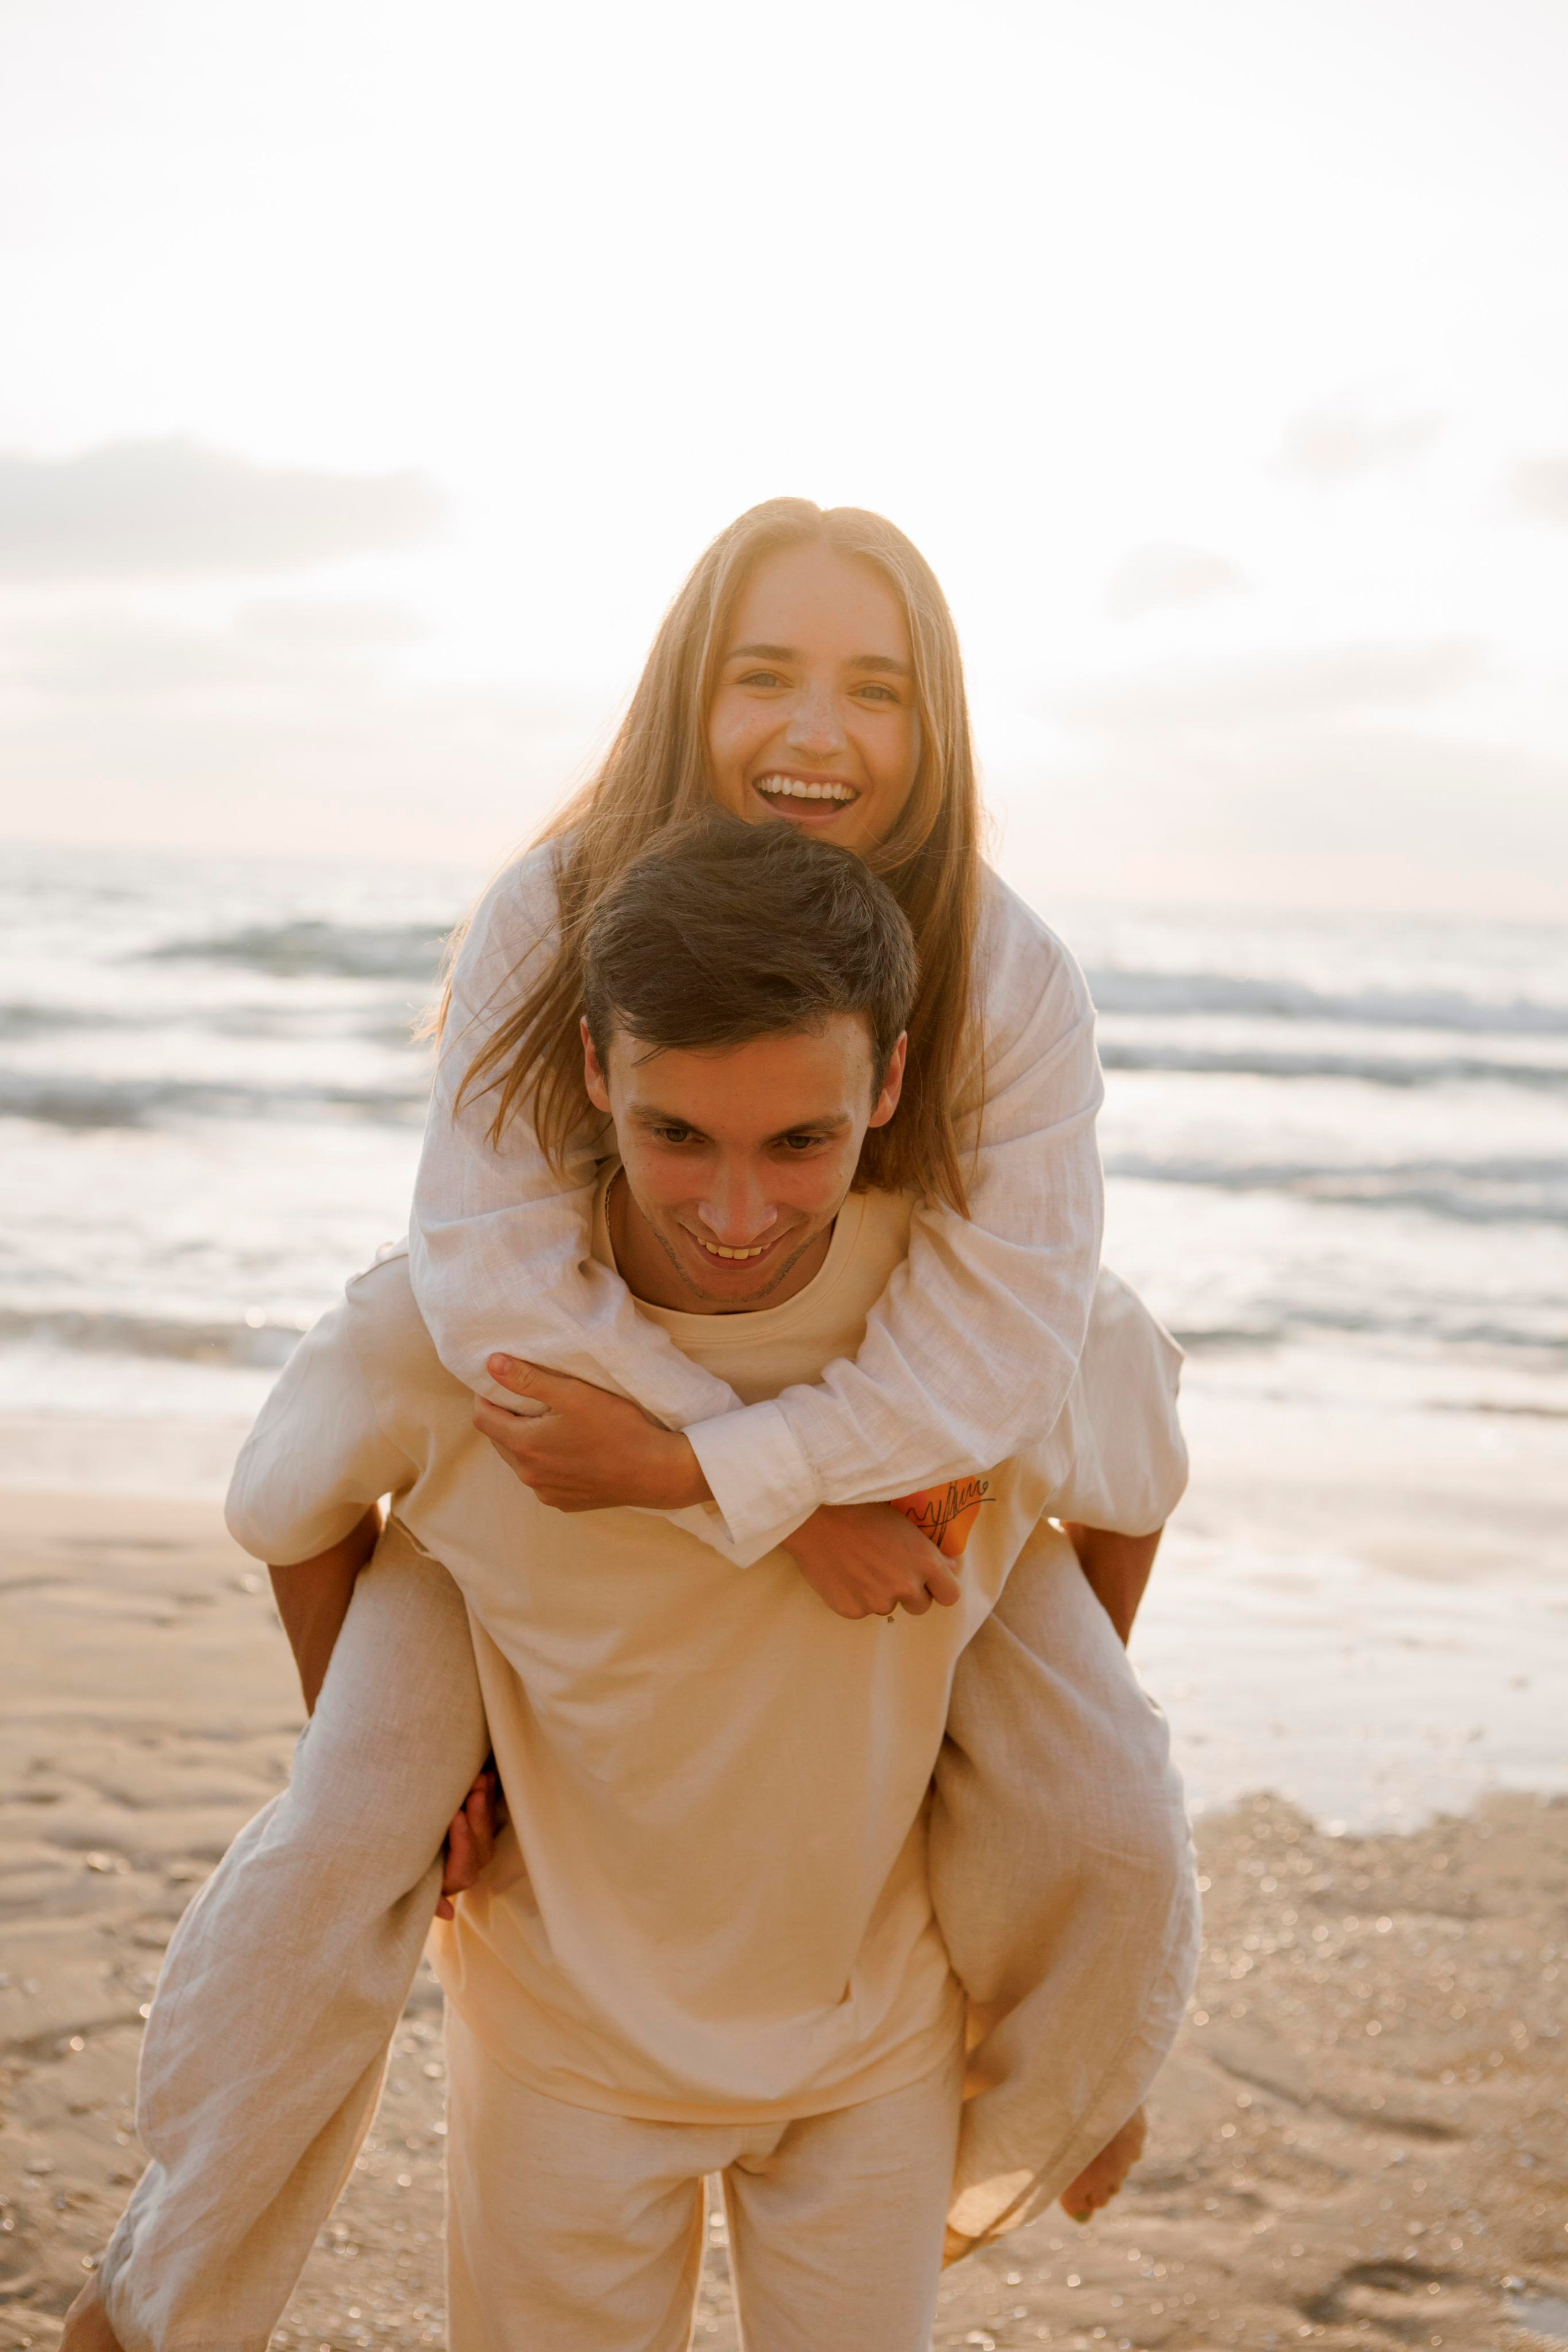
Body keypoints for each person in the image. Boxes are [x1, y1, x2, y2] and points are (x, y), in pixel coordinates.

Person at [64, 499, 1193, 2347]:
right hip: (547, 1451)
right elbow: (495, 1285)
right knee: (344, 1839)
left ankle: (1047, 2079)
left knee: (1110, 1814)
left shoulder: (1003, 972)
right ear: (689, 689)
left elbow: (1007, 1348)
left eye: (873, 688)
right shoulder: (556, 910)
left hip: (872, 1449)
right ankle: (167, 2288)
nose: (816, 735)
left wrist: (764, 1510)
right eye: (766, 676)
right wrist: (730, 1491)